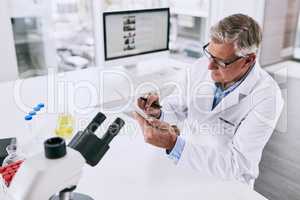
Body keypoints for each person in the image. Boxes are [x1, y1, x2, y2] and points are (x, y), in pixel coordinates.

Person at [133, 13, 284, 188]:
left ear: (248, 60)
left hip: (227, 185)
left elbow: (238, 164)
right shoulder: (202, 66)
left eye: (220, 62)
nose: (209, 66)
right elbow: (177, 107)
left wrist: (173, 144)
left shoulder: (267, 97)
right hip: (185, 166)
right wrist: (158, 111)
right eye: (209, 54)